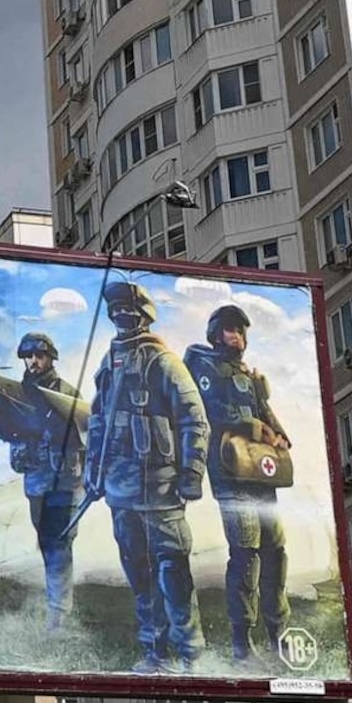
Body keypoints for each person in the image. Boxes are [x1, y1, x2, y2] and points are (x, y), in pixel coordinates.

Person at [77, 281, 207, 672]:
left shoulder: (162, 361)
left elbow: (194, 421)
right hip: (121, 490)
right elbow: (98, 422)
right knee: (140, 577)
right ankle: (156, 653)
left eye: (127, 311)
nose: (120, 317)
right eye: (115, 311)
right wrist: (92, 473)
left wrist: (191, 476)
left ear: (143, 315)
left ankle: (192, 654)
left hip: (161, 488)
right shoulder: (109, 361)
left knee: (173, 575)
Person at [0, 330, 84, 630]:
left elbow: (85, 432)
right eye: (29, 357)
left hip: (64, 479)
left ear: (51, 357)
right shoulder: (17, 393)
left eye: (39, 356)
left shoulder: (66, 392)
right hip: (36, 477)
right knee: (46, 540)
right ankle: (56, 605)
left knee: (58, 541)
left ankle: (59, 615)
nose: (33, 362)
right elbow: (7, 430)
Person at [183, 305, 292, 666]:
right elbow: (210, 410)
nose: (237, 337)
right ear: (216, 333)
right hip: (230, 470)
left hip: (260, 470)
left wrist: (278, 433)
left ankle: (280, 633)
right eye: (231, 330)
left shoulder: (248, 374)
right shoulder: (204, 366)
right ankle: (242, 643)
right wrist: (253, 425)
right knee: (246, 553)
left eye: (241, 331)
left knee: (275, 549)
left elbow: (264, 409)